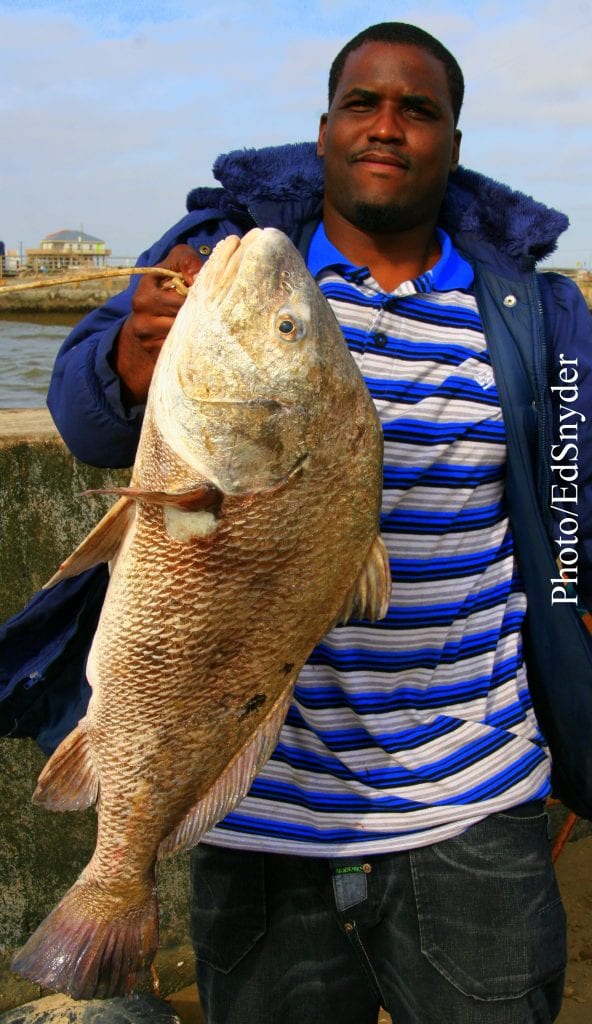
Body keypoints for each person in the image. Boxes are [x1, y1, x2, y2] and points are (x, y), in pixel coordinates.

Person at [42, 20, 592, 1024]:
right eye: (362, 104)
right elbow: (85, 419)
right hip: (255, 810)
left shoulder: (533, 311)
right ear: (326, 127)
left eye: (418, 109)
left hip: (470, 790)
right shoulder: (225, 268)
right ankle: (112, 878)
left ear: (453, 143)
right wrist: (130, 363)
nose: (387, 127)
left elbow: (572, 493)